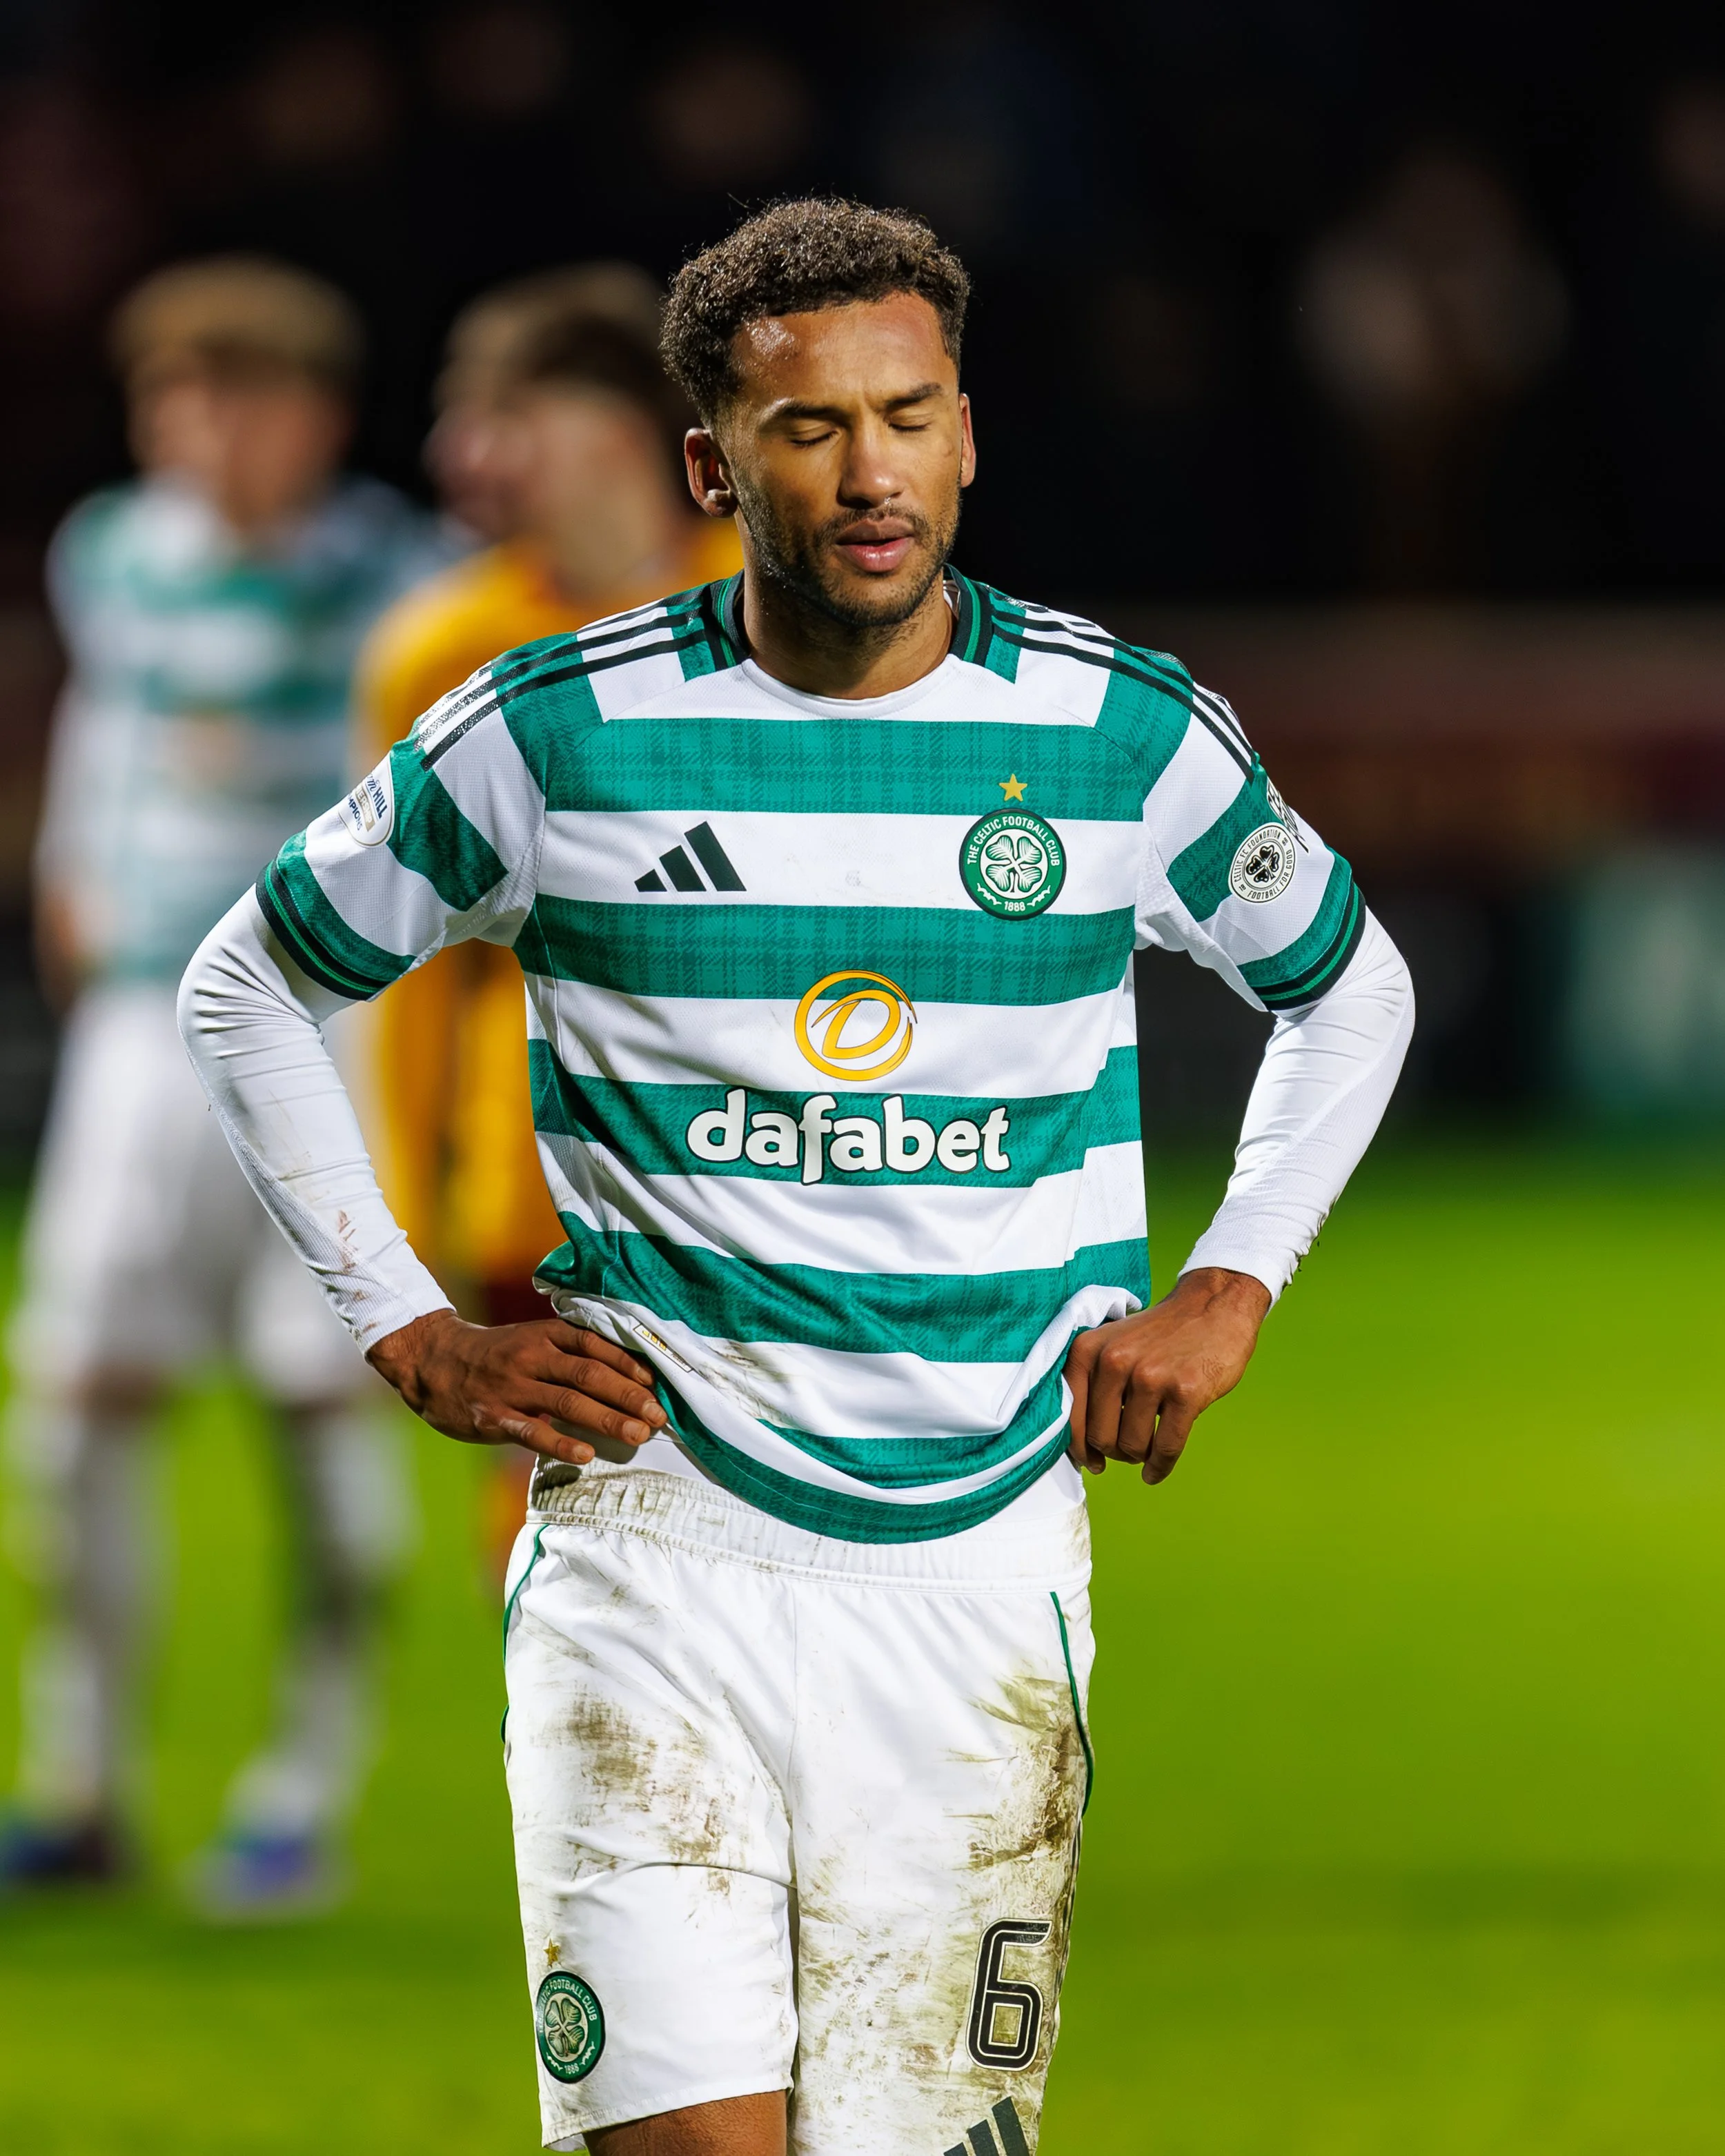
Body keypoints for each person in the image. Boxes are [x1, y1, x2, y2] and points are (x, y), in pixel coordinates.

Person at [179, 201, 1414, 2150]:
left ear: (967, 434)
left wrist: (1231, 1277)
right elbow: (247, 979)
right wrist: (408, 1325)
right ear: (710, 462)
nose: (869, 474)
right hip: (655, 1558)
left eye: (907, 417)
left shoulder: (1116, 734)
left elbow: (1349, 987)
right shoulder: (556, 730)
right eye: (810, 428)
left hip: (980, 1576)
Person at [1, 257, 442, 1915]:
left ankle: (297, 1796)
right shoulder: (111, 550)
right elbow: (114, 721)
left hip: (323, 1029)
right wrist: (70, 869)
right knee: (77, 1406)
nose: (197, 431)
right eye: (170, 397)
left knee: (328, 1401)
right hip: (136, 1030)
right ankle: (83, 1781)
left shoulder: (400, 580)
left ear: (313, 415)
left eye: (233, 396)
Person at [356, 266, 742, 1572]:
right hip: (536, 1187)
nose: (454, 454)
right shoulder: (438, 649)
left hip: (771, 1168)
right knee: (561, 1560)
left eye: (498, 414)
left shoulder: (782, 606)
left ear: (613, 432)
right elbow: (403, 967)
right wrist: (403, 1211)